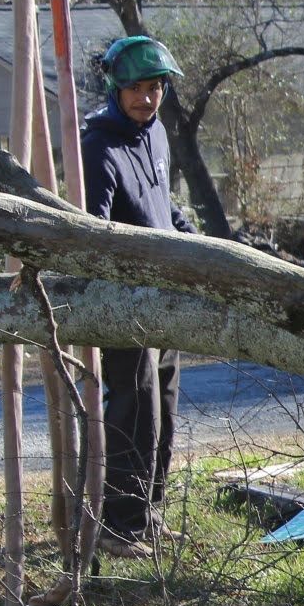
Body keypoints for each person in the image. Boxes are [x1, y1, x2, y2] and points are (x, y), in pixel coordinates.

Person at [79, 35, 196, 560]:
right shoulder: (99, 146)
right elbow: (93, 232)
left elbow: (163, 208)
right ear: (115, 89)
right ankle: (119, 526)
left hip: (165, 294)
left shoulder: (156, 135)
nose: (147, 100)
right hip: (124, 302)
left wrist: (196, 242)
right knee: (133, 408)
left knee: (164, 405)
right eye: (136, 90)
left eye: (155, 89)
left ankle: (149, 512)